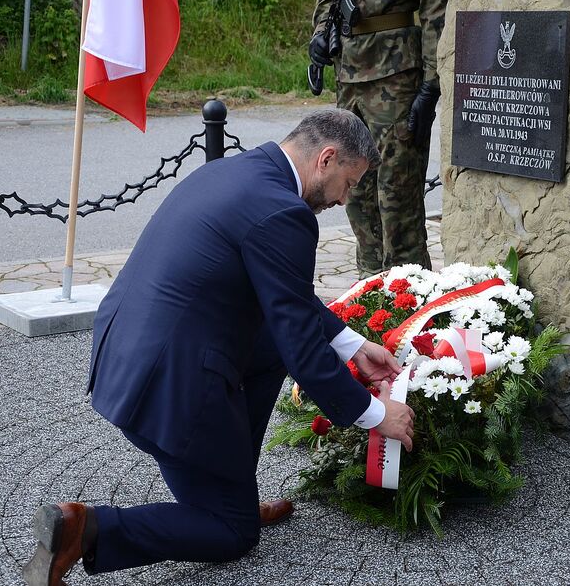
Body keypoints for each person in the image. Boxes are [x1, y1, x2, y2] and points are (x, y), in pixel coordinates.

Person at [22, 110, 417, 585]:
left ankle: (231, 489)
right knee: (233, 532)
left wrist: (351, 345)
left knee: (269, 346)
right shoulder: (285, 212)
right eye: (348, 184)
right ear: (326, 159)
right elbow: (301, 349)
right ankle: (86, 529)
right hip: (168, 386)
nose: (344, 199)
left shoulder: (234, 171)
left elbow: (285, 293)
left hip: (128, 357)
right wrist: (375, 415)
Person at [309, 0, 448, 277]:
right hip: (348, 73)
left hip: (396, 72)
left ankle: (408, 286)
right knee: (354, 190)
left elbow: (435, 8)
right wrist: (321, 31)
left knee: (398, 190)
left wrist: (431, 84)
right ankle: (369, 284)